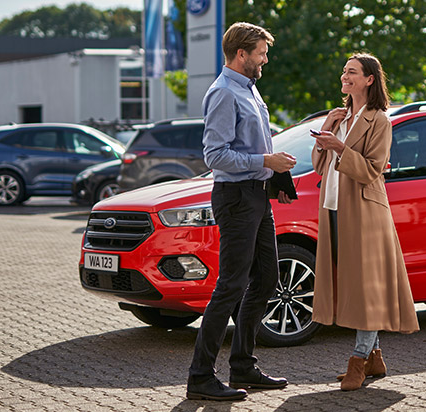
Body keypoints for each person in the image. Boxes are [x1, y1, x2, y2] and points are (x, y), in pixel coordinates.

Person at [186, 22, 297, 401]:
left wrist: (275, 173)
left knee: (267, 277)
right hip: (234, 197)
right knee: (231, 284)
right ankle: (200, 376)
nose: (265, 58)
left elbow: (257, 143)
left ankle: (243, 366)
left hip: (256, 195)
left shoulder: (250, 90)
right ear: (242, 53)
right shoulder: (223, 93)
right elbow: (215, 156)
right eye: (261, 52)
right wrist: (265, 159)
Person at [310, 53, 419, 391]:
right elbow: (317, 164)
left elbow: (373, 170)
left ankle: (358, 360)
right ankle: (374, 358)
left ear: (369, 79)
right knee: (352, 285)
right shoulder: (339, 117)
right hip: (333, 209)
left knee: (366, 287)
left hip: (365, 212)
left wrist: (340, 147)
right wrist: (328, 129)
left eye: (352, 72)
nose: (345, 76)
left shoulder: (380, 121)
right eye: (344, 70)